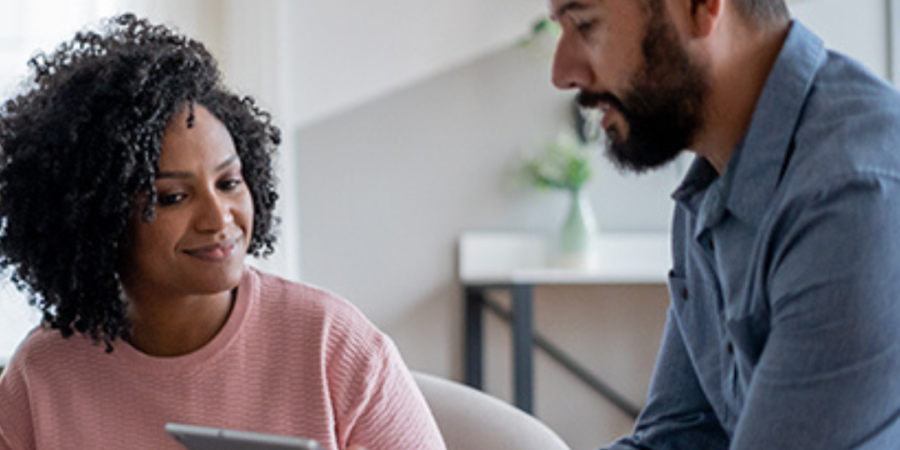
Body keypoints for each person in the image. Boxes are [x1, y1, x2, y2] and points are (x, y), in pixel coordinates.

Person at [0, 14, 445, 450]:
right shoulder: (41, 377)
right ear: (99, 218)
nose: (219, 218)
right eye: (173, 197)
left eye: (229, 183)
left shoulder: (332, 345)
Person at [551, 0, 900, 448]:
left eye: (585, 24)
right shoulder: (710, 186)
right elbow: (679, 437)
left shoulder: (855, 199)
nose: (562, 73)